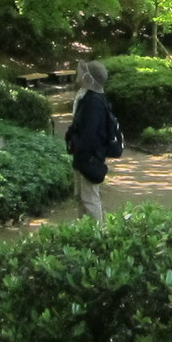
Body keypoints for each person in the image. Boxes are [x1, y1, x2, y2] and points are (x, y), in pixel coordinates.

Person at [65, 60, 111, 222]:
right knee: (82, 198)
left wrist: (82, 154)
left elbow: (89, 133)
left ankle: (97, 235)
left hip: (89, 158)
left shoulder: (94, 102)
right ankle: (84, 233)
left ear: (89, 77)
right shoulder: (86, 96)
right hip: (83, 156)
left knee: (90, 199)